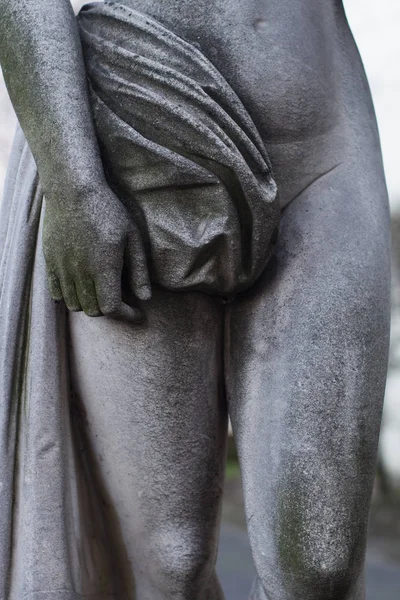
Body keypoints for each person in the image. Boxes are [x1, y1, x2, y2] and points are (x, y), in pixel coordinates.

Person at [0, 0, 390, 599]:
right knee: (166, 564)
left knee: (319, 564)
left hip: (320, 149)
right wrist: (73, 182)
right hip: (139, 130)